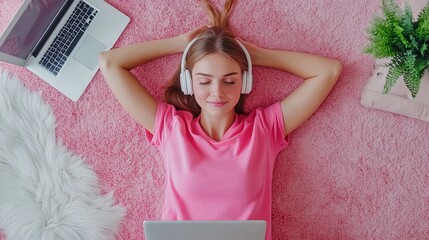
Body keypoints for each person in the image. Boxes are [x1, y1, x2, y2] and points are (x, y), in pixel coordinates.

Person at [99, 0, 342, 239]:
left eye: (229, 80)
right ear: (188, 82)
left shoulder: (265, 129)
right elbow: (110, 63)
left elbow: (328, 71)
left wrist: (259, 56)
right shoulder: (171, 128)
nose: (217, 92)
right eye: (204, 81)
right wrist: (180, 45)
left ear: (245, 82)